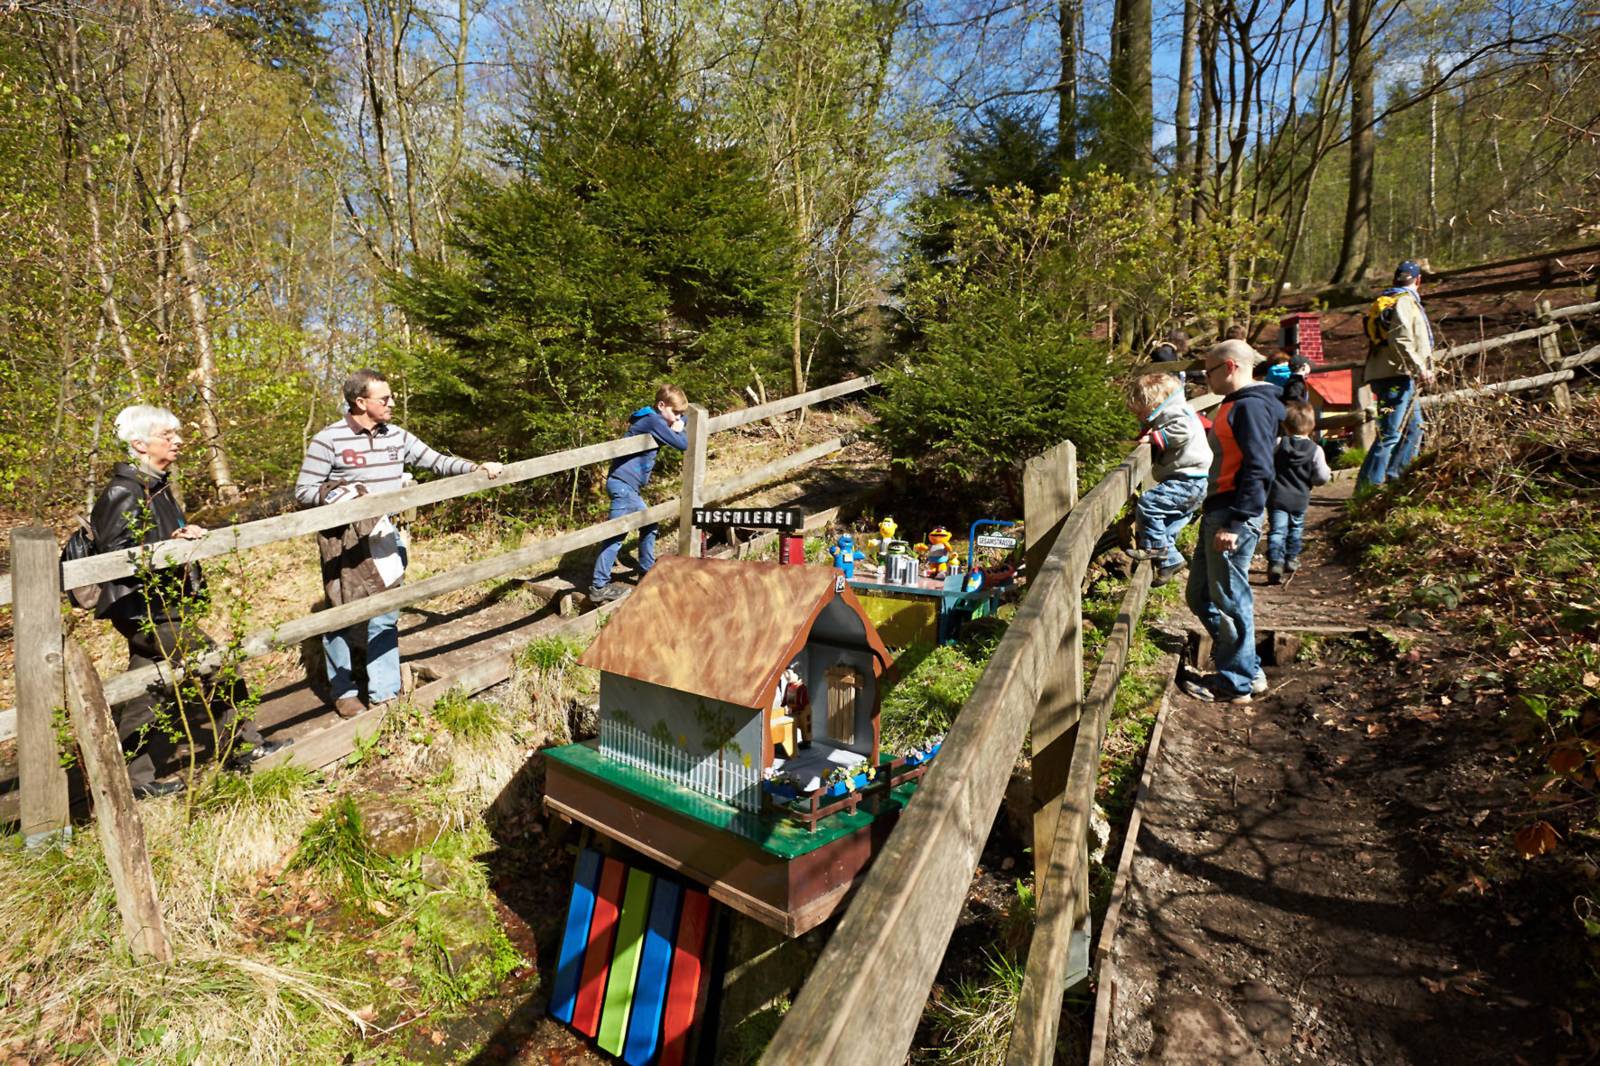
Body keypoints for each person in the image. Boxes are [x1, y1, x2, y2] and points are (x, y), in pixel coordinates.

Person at [91, 405, 290, 798]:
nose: (179, 440)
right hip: (146, 609)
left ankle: (132, 783)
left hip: (162, 606)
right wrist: (169, 546)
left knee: (149, 689)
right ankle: (245, 748)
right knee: (216, 664)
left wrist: (183, 534)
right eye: (168, 435)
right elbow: (114, 556)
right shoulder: (123, 491)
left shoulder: (156, 486)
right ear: (139, 443)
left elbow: (156, 538)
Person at [295, 369, 503, 718]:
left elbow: (435, 461)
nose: (392, 403)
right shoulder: (328, 440)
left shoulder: (397, 436)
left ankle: (384, 692)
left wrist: (475, 468)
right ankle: (344, 692)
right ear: (360, 402)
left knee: (386, 613)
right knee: (340, 616)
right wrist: (346, 496)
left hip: (385, 537)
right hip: (344, 543)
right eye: (384, 399)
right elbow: (303, 491)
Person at [1181, 340, 1285, 704]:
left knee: (1228, 597)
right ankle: (1248, 669)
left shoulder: (1252, 408)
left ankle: (1235, 681)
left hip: (1231, 515)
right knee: (1200, 595)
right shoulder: (1234, 404)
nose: (1205, 378)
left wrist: (1237, 523)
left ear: (1229, 367)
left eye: (1208, 371)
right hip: (1218, 511)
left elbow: (1259, 468)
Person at [589, 384, 689, 603]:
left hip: (626, 485)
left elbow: (683, 421)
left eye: (681, 413)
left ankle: (646, 571)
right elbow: (682, 444)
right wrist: (680, 427)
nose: (678, 417)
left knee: (649, 524)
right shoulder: (654, 421)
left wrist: (679, 420)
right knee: (616, 535)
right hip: (623, 485)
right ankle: (599, 586)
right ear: (661, 405)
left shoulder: (654, 417)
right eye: (675, 412)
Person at [1125, 373, 1213, 587]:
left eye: (1141, 412)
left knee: (1149, 504)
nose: (1140, 418)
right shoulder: (1176, 411)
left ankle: (1155, 548)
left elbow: (1182, 432)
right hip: (1196, 479)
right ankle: (1171, 560)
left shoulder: (1174, 412)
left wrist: (1154, 438)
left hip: (1187, 478)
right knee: (1167, 525)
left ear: (1154, 402)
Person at [1358, 260, 1436, 488]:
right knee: (1390, 433)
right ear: (1419, 280)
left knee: (1415, 428)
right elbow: (1400, 339)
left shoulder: (1397, 299)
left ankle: (1397, 477)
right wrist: (1420, 367)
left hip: (1396, 376)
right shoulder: (1404, 302)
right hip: (1393, 378)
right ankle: (1367, 488)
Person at [1265, 402, 1332, 585]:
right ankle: (1291, 559)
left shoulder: (1278, 444)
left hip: (1277, 496)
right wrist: (1312, 480)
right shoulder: (1315, 450)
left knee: (1277, 530)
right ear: (1312, 427)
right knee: (1295, 528)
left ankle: (1275, 562)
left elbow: (1265, 463)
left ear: (1285, 426)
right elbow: (1322, 476)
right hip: (1300, 498)